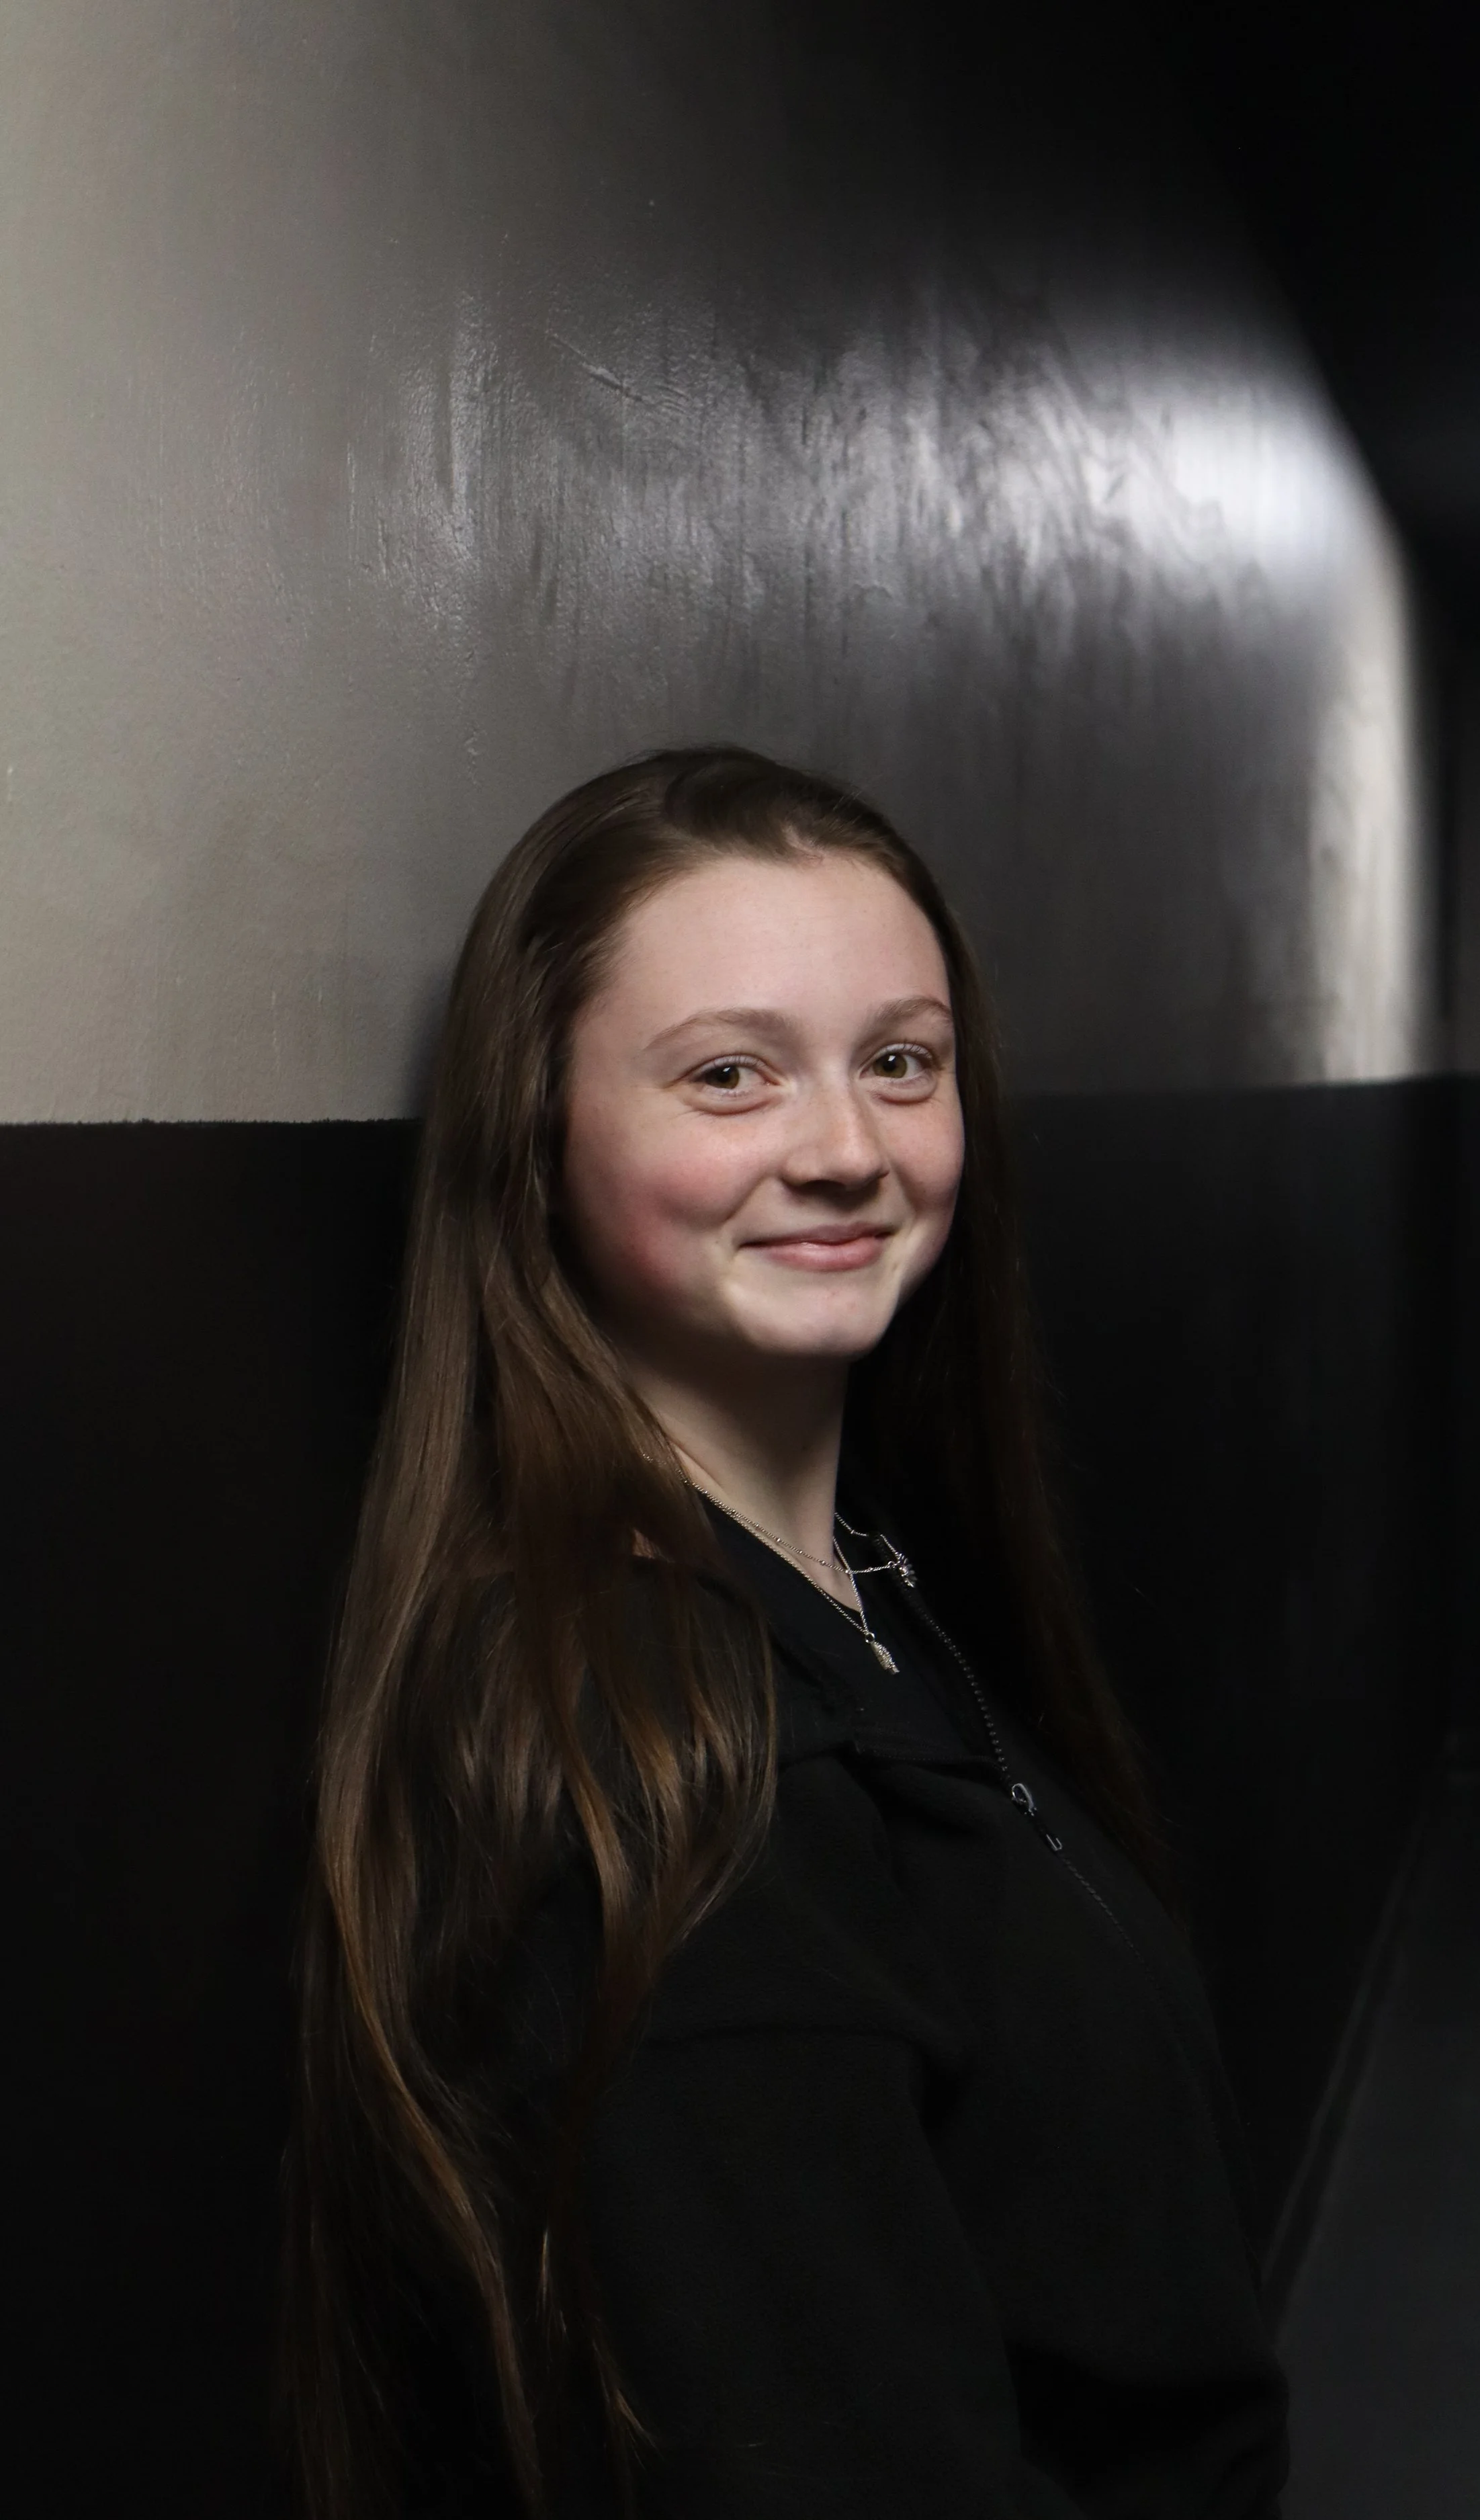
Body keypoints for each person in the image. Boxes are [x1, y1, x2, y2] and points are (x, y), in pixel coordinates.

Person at [284, 747, 1289, 2519]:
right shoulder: (693, 1799)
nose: (843, 1149)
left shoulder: (860, 1593)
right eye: (728, 1074)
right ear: (540, 1134)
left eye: (898, 1061)